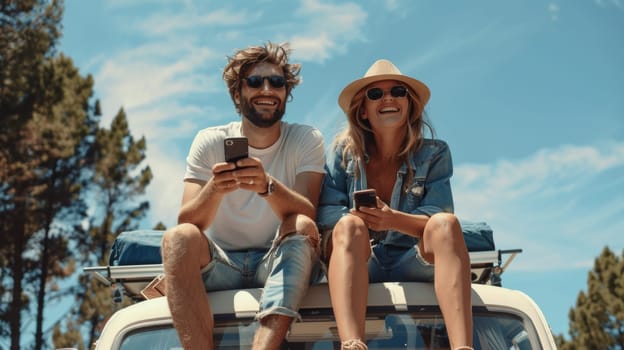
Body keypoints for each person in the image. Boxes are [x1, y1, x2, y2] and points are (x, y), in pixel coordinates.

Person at [161, 42, 326, 349]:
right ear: (237, 94)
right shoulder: (210, 141)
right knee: (177, 238)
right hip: (221, 265)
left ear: (286, 93)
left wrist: (267, 186)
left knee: (302, 226)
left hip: (278, 257)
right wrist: (216, 187)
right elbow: (187, 220)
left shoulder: (305, 138)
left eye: (277, 82)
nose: (267, 89)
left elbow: (308, 211)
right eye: (255, 81)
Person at [317, 59, 473, 350]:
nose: (388, 98)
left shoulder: (434, 153)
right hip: (363, 259)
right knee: (348, 225)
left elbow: (438, 215)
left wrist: (390, 219)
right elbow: (326, 212)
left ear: (410, 104)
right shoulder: (342, 154)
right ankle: (352, 344)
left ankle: (462, 347)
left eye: (398, 91)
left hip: (414, 258)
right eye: (375, 94)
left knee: (447, 224)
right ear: (363, 110)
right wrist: (360, 218)